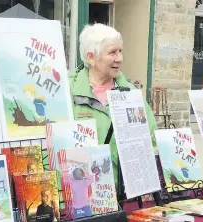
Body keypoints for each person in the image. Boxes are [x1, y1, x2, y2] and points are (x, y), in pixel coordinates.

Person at [69, 23, 161, 205]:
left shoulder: (129, 92)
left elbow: (151, 137)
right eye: (112, 53)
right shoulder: (68, 91)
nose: (119, 58)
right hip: (79, 195)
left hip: (125, 196)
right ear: (91, 57)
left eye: (120, 51)